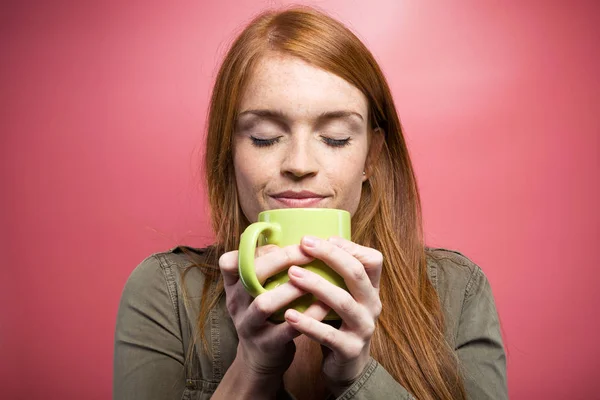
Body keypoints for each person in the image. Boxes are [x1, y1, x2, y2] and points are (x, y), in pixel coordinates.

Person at [113, 6, 507, 400]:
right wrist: (251, 368)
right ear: (229, 151)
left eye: (335, 137)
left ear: (371, 158)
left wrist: (357, 375)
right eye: (265, 137)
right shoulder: (164, 292)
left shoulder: (458, 291)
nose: (299, 165)